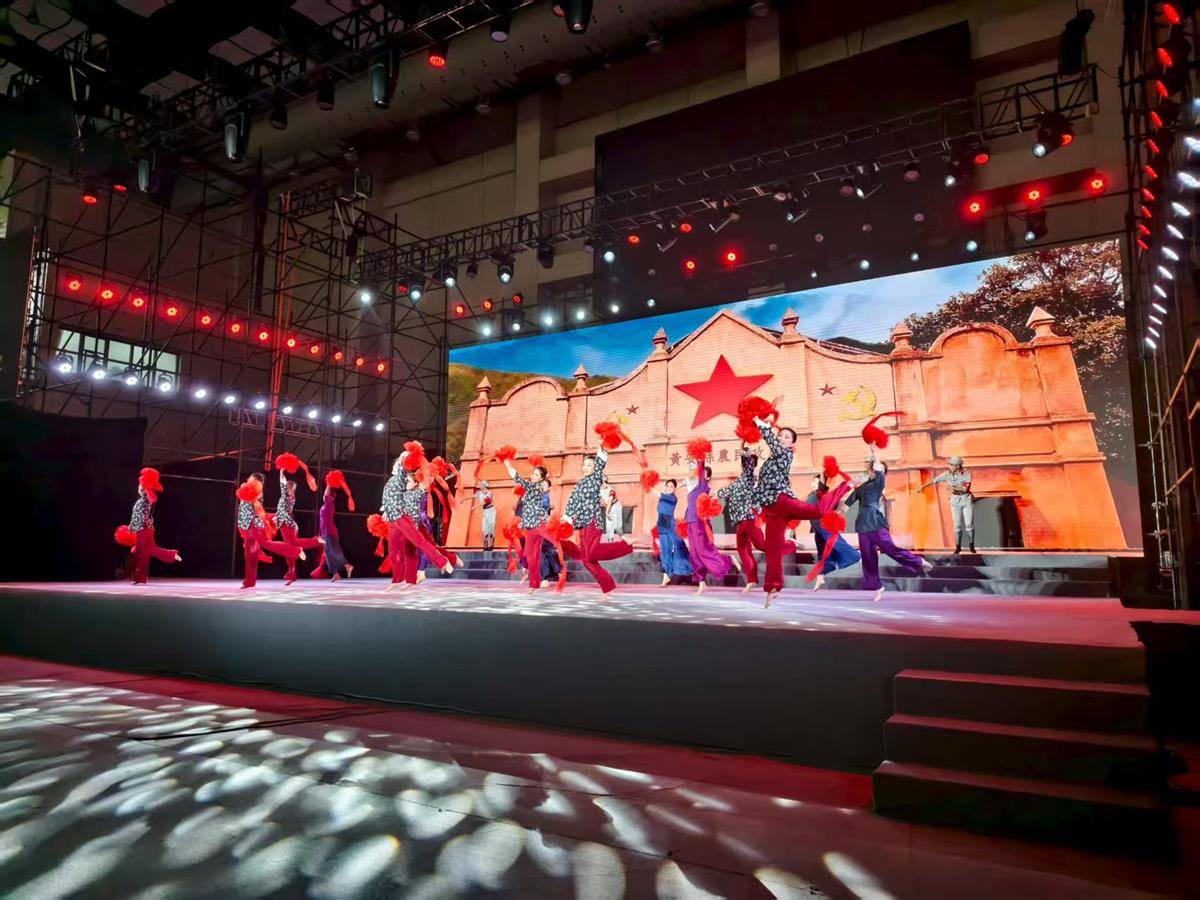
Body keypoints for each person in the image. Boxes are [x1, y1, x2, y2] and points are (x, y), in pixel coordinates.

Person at [752, 416, 851, 607]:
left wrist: (761, 424)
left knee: (817, 511)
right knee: (773, 551)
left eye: (786, 437)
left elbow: (772, 443)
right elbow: (762, 486)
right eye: (780, 435)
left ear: (792, 444)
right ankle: (772, 588)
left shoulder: (785, 454)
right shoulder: (771, 460)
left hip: (783, 502)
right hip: (772, 511)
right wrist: (756, 502)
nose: (781, 438)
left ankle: (845, 487)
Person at [840, 452, 934, 601]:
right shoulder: (862, 487)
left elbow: (878, 467)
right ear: (870, 471)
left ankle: (918, 561)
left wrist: (873, 450)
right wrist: (840, 512)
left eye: (880, 469)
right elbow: (849, 501)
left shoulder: (879, 483)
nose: (877, 471)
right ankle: (876, 586)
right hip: (862, 525)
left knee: (891, 549)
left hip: (875, 523)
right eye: (875, 469)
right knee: (868, 558)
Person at [561, 445, 633, 595]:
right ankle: (608, 587)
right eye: (584, 465)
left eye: (589, 465)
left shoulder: (596, 479)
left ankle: (625, 545)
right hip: (581, 524)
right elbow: (571, 503)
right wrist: (566, 519)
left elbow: (600, 464)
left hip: (593, 520)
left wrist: (603, 448)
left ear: (595, 468)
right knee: (587, 561)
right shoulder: (579, 485)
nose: (586, 467)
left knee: (592, 553)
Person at [381, 454, 453, 591]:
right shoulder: (392, 481)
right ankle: (397, 580)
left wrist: (406, 455)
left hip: (403, 517)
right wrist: (385, 510)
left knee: (419, 542)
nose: (395, 465)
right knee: (394, 551)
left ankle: (442, 561)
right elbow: (389, 498)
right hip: (392, 517)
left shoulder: (402, 478)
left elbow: (406, 464)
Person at [236, 473, 304, 589]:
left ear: (256, 481)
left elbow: (252, 500)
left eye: (250, 478)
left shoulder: (256, 490)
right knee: (250, 555)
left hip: (255, 526)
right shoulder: (248, 488)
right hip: (247, 526)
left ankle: (295, 551)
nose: (247, 479)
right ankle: (249, 581)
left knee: (267, 544)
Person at [717, 447, 769, 592]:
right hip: (740, 521)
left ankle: (784, 545)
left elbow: (748, 468)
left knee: (761, 545)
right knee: (743, 549)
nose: (745, 466)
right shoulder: (739, 481)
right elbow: (727, 490)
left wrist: (746, 456)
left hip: (750, 518)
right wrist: (715, 494)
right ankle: (751, 580)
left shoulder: (750, 477)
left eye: (747, 463)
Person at [684, 461, 737, 595]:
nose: (699, 475)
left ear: (707, 477)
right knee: (694, 554)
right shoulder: (694, 487)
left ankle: (728, 560)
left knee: (703, 551)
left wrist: (699, 456)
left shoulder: (703, 486)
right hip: (690, 521)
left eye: (703, 474)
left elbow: (700, 466)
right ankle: (701, 583)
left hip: (699, 523)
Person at [502, 457, 553, 592]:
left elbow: (519, 480)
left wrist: (508, 465)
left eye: (536, 475)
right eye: (533, 474)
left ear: (541, 478)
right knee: (531, 557)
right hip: (531, 527)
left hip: (539, 525)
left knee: (555, 542)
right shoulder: (531, 489)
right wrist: (523, 523)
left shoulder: (537, 487)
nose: (533, 476)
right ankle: (534, 584)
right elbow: (529, 509)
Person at [806, 474, 860, 590]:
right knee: (822, 557)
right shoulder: (812, 495)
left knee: (840, 546)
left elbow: (828, 484)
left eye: (816, 482)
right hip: (818, 530)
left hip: (825, 527)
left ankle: (850, 559)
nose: (813, 484)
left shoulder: (821, 494)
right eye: (813, 482)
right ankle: (820, 577)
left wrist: (824, 472)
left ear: (821, 485)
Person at [128, 468, 180, 584]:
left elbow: (151, 498)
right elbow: (135, 516)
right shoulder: (140, 501)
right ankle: (141, 577)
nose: (139, 489)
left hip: (144, 527)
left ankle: (140, 578)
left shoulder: (147, 499)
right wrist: (131, 528)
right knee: (147, 550)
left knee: (144, 552)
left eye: (141, 487)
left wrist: (146, 486)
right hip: (144, 528)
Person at [919, 456, 975, 555]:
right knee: (957, 525)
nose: (950, 466)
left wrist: (952, 487)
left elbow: (965, 489)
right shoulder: (947, 474)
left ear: (958, 466)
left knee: (969, 524)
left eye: (952, 465)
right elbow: (935, 480)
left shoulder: (967, 474)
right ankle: (958, 547)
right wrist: (923, 486)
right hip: (955, 500)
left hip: (966, 500)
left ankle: (971, 545)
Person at [276, 470, 322, 584]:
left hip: (288, 525)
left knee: (293, 544)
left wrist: (281, 472)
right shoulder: (290, 497)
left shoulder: (287, 496)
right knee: (289, 549)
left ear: (290, 488)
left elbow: (282, 482)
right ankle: (291, 573)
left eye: (288, 487)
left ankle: (316, 540)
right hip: (286, 525)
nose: (286, 488)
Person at [311, 471, 354, 581]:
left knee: (334, 551)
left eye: (327, 494)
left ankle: (347, 565)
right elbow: (322, 521)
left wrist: (330, 482)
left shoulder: (330, 503)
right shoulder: (325, 505)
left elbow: (326, 493)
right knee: (328, 553)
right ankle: (336, 574)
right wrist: (321, 534)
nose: (324, 494)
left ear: (331, 496)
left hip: (330, 531)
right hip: (325, 532)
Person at [655, 479, 693, 586]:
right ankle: (666, 575)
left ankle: (692, 566)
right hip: (662, 525)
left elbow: (659, 494)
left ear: (674, 489)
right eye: (668, 486)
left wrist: (650, 484)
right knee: (665, 551)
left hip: (670, 526)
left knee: (679, 547)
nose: (669, 488)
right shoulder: (663, 498)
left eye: (671, 486)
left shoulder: (673, 498)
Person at [476, 480, 496, 551]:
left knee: (491, 528)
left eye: (481, 484)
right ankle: (485, 546)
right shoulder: (480, 493)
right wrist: (464, 499)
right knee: (485, 529)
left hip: (491, 511)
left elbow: (486, 501)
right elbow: (473, 496)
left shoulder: (489, 493)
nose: (480, 486)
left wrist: (475, 507)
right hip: (485, 511)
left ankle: (491, 545)